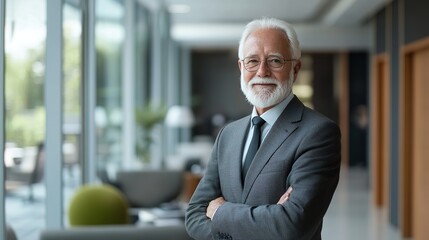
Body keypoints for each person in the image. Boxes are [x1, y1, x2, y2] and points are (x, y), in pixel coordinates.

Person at [185, 17, 341, 240]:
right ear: (241, 67)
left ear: (295, 69)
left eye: (275, 61)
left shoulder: (318, 133)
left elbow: (292, 225)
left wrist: (220, 212)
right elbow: (193, 215)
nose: (262, 71)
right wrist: (267, 220)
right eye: (252, 61)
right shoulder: (228, 135)